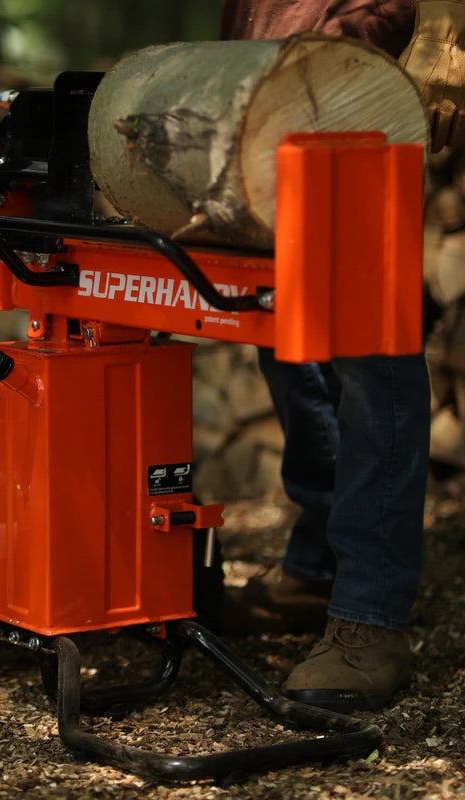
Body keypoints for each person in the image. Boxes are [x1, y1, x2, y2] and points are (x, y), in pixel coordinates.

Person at [219, 0, 465, 713]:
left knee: (369, 343)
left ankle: (370, 617)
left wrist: (444, 35)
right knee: (286, 330)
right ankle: (319, 567)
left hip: (360, 77)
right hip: (270, 75)